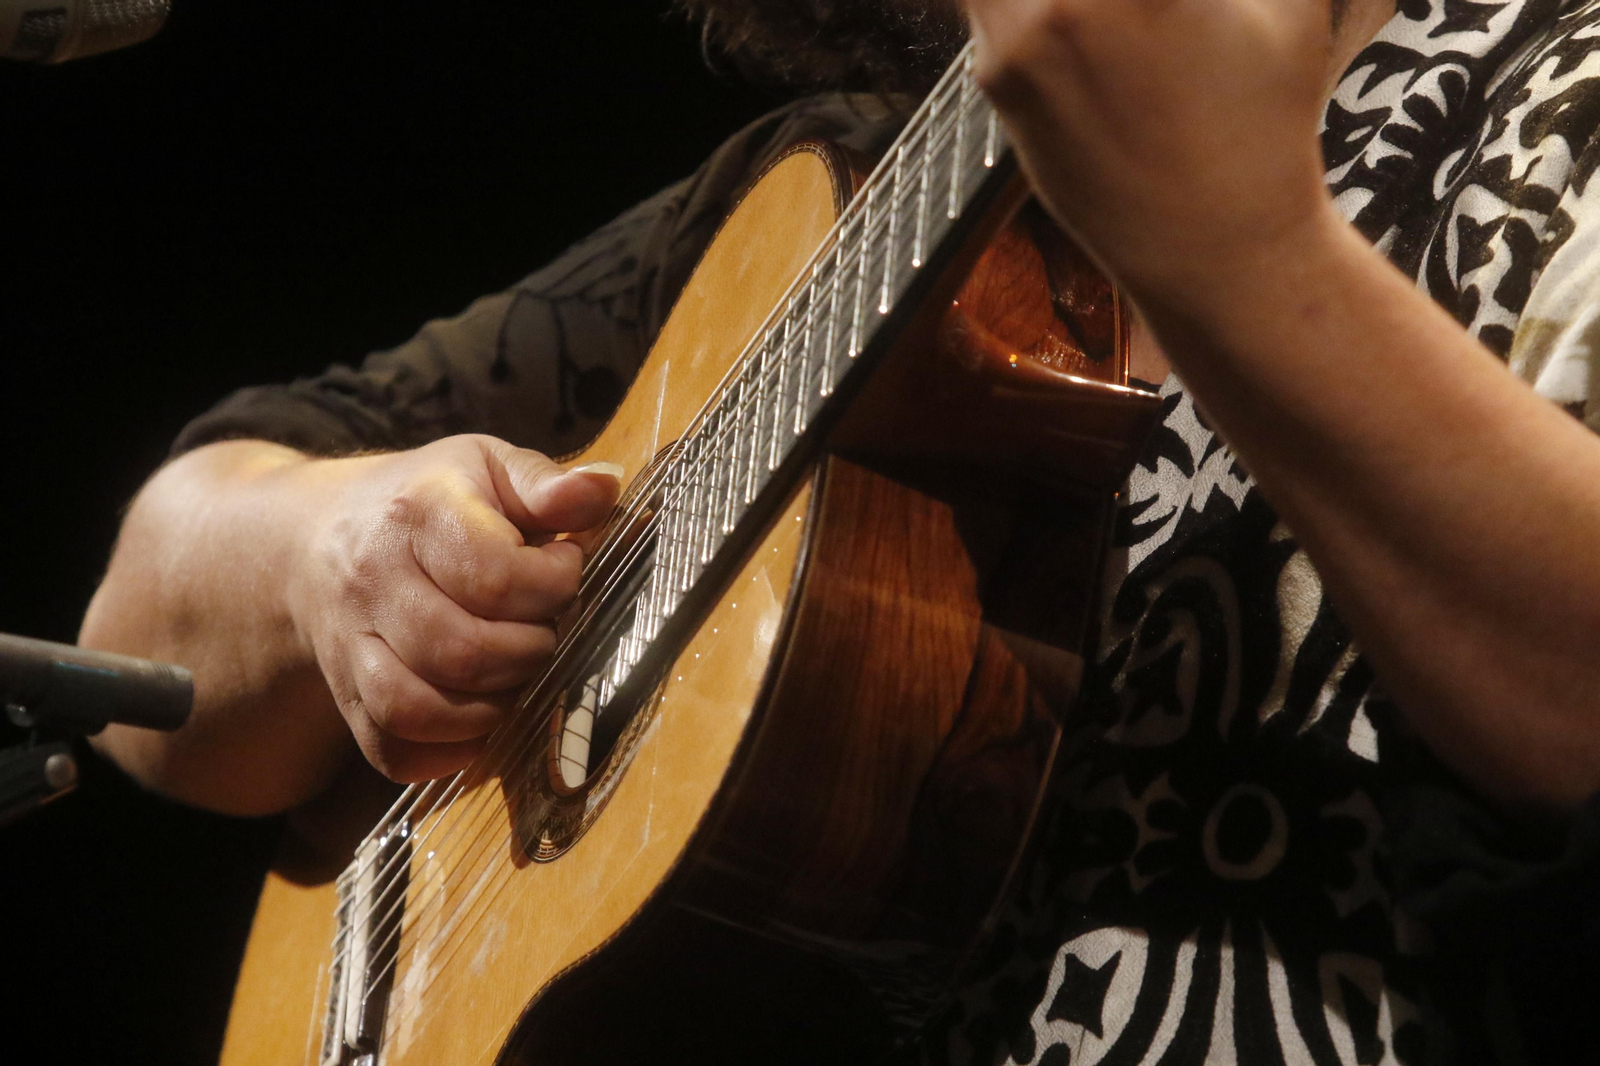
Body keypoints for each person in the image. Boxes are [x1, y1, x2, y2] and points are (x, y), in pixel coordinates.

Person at [78, 0, 1600, 1060]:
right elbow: (138, 661)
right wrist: (333, 547)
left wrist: (1232, 248)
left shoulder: (1557, 91)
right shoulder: (834, 191)